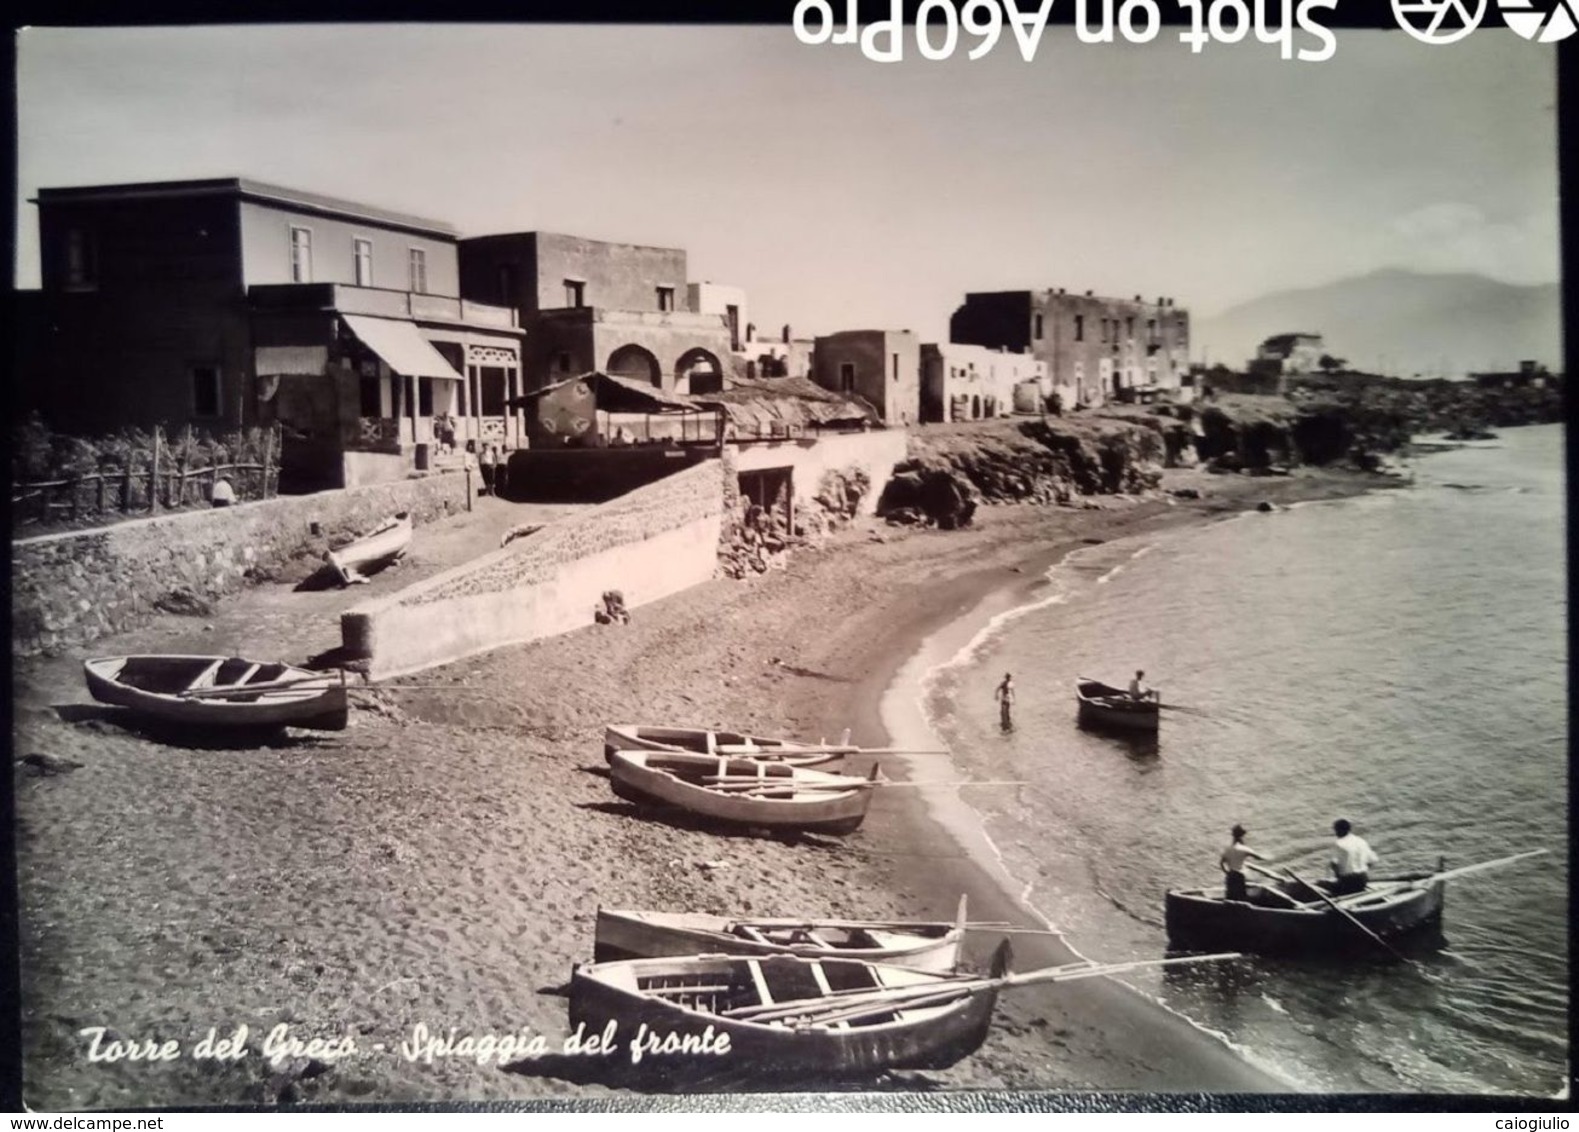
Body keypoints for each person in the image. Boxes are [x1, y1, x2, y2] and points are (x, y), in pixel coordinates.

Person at [1329, 819, 1378, 895]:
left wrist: (1339, 877)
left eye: (1336, 830)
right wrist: (1362, 870)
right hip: (1363, 879)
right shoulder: (1361, 841)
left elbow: (1333, 864)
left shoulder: (1338, 843)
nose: (1336, 833)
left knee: (1326, 887)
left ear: (1341, 830)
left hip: (1348, 882)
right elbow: (1373, 860)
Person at [1219, 824, 1263, 903]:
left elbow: (1221, 863)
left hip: (1231, 875)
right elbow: (1258, 857)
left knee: (1230, 897)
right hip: (1239, 876)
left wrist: (1227, 872)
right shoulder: (1244, 849)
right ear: (1242, 836)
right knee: (1241, 897)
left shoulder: (1228, 849)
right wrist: (1268, 857)